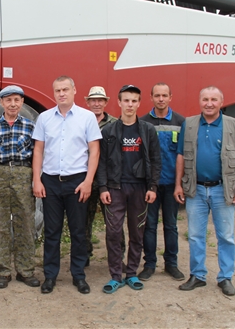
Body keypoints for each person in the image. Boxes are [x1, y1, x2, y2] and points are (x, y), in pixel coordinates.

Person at [174, 86, 235, 296]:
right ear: (199, 101)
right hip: (196, 190)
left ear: (221, 102)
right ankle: (197, 275)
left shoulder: (232, 126)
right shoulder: (189, 124)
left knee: (226, 236)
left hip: (222, 190)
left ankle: (225, 277)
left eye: (214, 100)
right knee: (196, 236)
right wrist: (178, 184)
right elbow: (181, 155)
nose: (209, 103)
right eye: (205, 99)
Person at [32, 76, 101, 295]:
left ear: (74, 91)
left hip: (77, 182)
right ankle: (50, 276)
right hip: (51, 182)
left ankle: (78, 275)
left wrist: (88, 181)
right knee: (52, 231)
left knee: (78, 232)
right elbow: (38, 150)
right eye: (58, 90)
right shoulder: (44, 118)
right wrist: (36, 179)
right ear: (54, 93)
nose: (62, 93)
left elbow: (94, 151)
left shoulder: (87, 117)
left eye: (65, 89)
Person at [96, 85, 161, 294]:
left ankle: (132, 272)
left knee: (137, 232)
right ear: (119, 102)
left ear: (139, 103)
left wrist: (152, 186)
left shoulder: (148, 130)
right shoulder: (109, 131)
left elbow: (156, 160)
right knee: (113, 232)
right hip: (115, 188)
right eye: (126, 100)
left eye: (134, 101)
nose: (130, 105)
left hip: (140, 188)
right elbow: (102, 162)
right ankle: (116, 275)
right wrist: (103, 187)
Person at [0, 85, 40, 289]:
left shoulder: (30, 126)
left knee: (25, 223)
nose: (12, 104)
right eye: (8, 100)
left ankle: (26, 270)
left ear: (22, 102)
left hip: (22, 173)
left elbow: (37, 154)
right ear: (1, 103)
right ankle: (2, 271)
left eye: (17, 100)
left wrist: (36, 179)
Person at [138, 83, 186, 281]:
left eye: (164, 95)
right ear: (151, 97)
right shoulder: (142, 122)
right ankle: (149, 264)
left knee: (171, 225)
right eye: (157, 95)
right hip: (150, 186)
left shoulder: (180, 122)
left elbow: (183, 154)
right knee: (149, 226)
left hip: (171, 184)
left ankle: (171, 264)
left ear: (170, 97)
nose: (161, 99)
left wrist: (179, 184)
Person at [83, 86, 123, 267]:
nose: (96, 103)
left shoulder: (116, 124)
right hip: (86, 179)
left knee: (114, 222)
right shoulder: (80, 121)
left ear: (106, 102)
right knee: (83, 220)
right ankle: (83, 255)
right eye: (93, 100)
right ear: (87, 102)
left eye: (100, 100)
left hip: (109, 180)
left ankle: (117, 259)